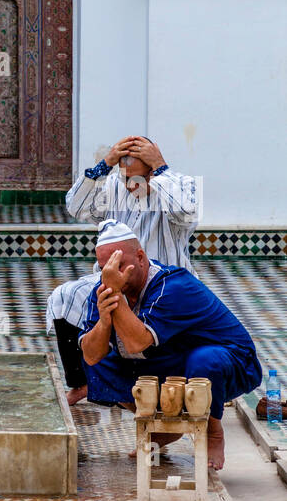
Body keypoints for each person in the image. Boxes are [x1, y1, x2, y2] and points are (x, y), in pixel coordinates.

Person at [79, 222, 261, 469]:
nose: (112, 274)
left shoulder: (173, 285)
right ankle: (163, 426)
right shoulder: (104, 289)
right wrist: (103, 321)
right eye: (105, 269)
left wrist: (114, 293)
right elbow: (91, 355)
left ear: (141, 257)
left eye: (119, 265)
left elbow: (136, 342)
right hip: (175, 359)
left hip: (233, 363)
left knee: (204, 360)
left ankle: (213, 433)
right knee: (101, 363)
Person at [47, 136, 199, 404]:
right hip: (115, 280)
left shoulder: (179, 186)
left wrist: (162, 166)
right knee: (63, 297)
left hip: (165, 284)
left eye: (138, 179)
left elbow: (186, 211)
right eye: (126, 178)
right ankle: (80, 383)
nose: (132, 187)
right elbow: (76, 207)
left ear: (153, 171)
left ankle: (182, 382)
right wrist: (104, 165)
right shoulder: (115, 188)